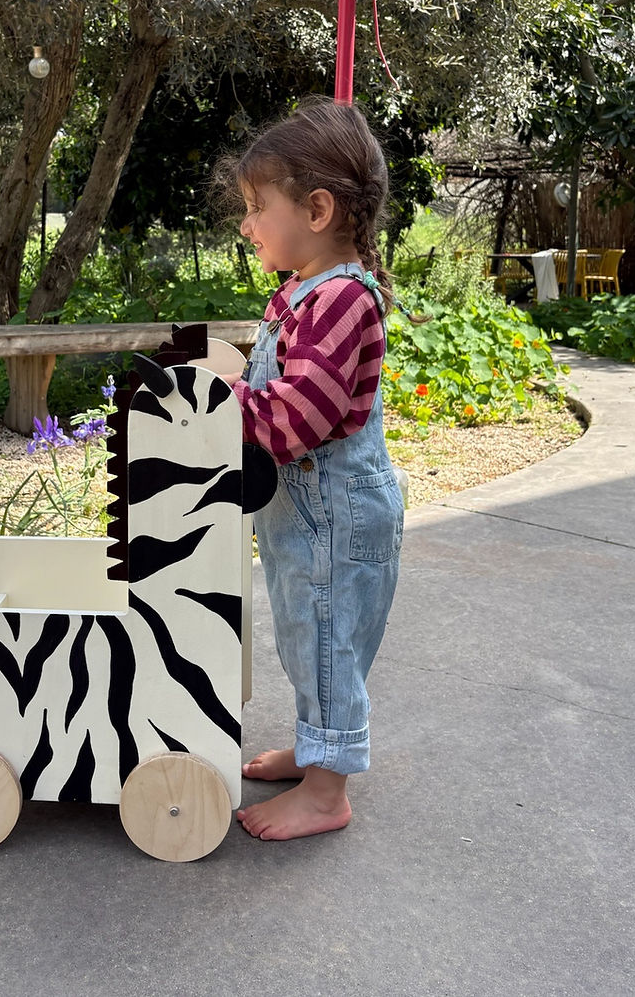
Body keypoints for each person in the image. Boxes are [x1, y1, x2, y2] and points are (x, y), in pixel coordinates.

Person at [216, 96, 404, 842]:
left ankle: (328, 792)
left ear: (318, 209)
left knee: (327, 637)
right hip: (310, 517)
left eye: (259, 206)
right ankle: (315, 747)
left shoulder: (339, 301)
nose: (248, 223)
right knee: (306, 632)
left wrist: (221, 401)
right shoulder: (306, 294)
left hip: (336, 515)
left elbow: (295, 421)